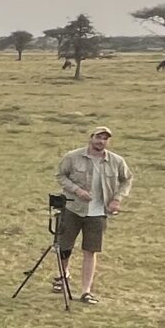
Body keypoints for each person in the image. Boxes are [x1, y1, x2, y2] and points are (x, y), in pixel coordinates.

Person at [52, 125, 132, 303]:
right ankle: (62, 276)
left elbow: (127, 180)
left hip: (98, 213)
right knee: (64, 247)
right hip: (73, 209)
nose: (101, 141)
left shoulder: (116, 161)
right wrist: (76, 190)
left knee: (91, 250)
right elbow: (60, 176)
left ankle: (86, 291)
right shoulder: (73, 157)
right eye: (98, 137)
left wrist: (117, 199)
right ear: (91, 138)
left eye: (105, 138)